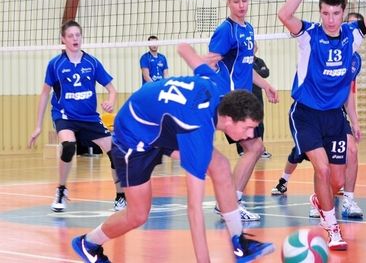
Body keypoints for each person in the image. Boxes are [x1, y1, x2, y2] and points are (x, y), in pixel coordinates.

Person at [71, 43, 275, 263]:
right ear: (228, 119)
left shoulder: (219, 85)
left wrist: (204, 58)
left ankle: (239, 243)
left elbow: (184, 49)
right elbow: (194, 210)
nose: (251, 134)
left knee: (221, 165)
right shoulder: (197, 131)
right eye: (247, 127)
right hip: (133, 133)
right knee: (137, 215)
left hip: (163, 122)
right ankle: (89, 243)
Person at [277, 0, 366, 250]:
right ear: (320, 13)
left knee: (337, 180)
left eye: (336, 13)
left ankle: (322, 200)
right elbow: (284, 14)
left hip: (334, 117)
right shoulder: (308, 34)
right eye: (326, 13)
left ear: (343, 12)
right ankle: (332, 228)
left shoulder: (352, 35)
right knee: (323, 170)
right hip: (305, 114)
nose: (330, 19)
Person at [28, 20, 125, 213]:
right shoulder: (55, 64)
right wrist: (38, 125)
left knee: (115, 152)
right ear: (63, 39)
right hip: (65, 116)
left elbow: (112, 89)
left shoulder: (92, 63)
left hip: (89, 118)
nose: (75, 39)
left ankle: (121, 196)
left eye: (78, 35)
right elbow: (45, 94)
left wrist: (110, 101)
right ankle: (61, 190)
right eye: (71, 36)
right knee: (68, 146)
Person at [208, 0, 279, 222]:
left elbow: (246, 68)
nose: (241, 5)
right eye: (236, 1)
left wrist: (266, 85)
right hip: (230, 99)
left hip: (243, 99)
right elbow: (210, 62)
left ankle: (229, 202)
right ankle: (230, 204)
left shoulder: (248, 29)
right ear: (229, 4)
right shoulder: (225, 30)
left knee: (254, 148)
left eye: (244, 0)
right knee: (254, 148)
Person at [236, 44, 272, 159]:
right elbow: (242, 73)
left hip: (257, 97)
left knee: (259, 123)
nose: (252, 48)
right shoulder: (240, 60)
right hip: (243, 96)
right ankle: (242, 150)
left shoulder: (258, 61)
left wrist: (252, 71)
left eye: (253, 47)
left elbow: (266, 73)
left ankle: (260, 149)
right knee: (242, 122)